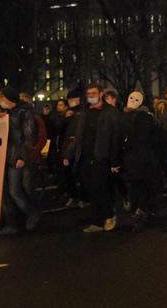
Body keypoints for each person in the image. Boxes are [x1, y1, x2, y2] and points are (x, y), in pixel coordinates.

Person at [64, 84, 119, 233]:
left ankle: (109, 215)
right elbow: (79, 137)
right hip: (85, 157)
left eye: (94, 93)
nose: (91, 95)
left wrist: (115, 161)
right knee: (90, 189)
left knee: (100, 187)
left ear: (101, 94)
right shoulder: (85, 113)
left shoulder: (111, 112)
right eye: (89, 93)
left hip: (101, 156)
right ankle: (96, 221)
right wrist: (69, 154)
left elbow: (115, 138)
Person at [0, 87, 42, 235]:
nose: (0, 102)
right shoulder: (8, 113)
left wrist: (22, 156)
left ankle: (32, 212)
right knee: (4, 193)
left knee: (14, 190)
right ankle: (11, 224)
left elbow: (29, 137)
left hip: (16, 157)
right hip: (5, 156)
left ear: (8, 99)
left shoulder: (25, 112)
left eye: (2, 99)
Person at [114, 91, 161, 231]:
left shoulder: (126, 118)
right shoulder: (145, 118)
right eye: (131, 98)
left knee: (137, 186)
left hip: (134, 158)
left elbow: (117, 140)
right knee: (141, 186)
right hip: (141, 158)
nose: (132, 101)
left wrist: (116, 160)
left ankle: (139, 211)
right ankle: (140, 211)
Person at [59, 88, 87, 209]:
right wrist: (65, 117)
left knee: (79, 174)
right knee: (68, 174)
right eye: (69, 99)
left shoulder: (83, 113)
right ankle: (73, 196)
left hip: (78, 147)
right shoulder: (68, 113)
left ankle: (82, 197)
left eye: (73, 99)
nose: (71, 101)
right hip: (67, 146)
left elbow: (79, 133)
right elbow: (59, 128)